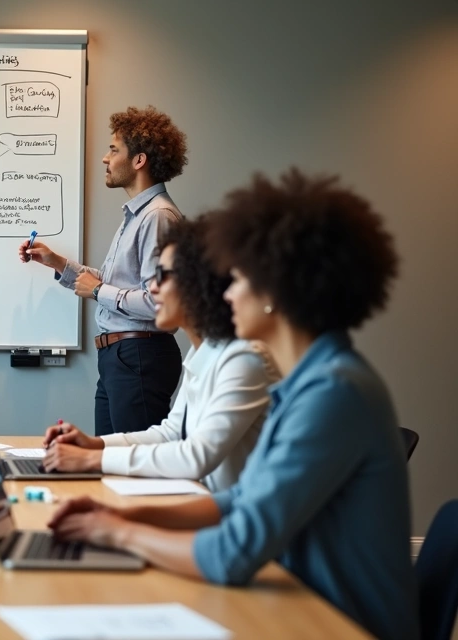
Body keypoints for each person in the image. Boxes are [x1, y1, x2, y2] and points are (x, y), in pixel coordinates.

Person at [46, 170, 416, 640]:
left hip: (332, 621)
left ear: (275, 291)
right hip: (300, 602)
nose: (227, 292)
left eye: (238, 279)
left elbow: (232, 554)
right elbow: (241, 500)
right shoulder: (316, 381)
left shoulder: (334, 393)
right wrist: (121, 517)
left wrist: (115, 534)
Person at [41, 217, 278, 492]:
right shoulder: (204, 352)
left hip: (228, 523)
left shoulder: (244, 359)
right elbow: (169, 434)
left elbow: (195, 457)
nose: (152, 288)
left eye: (162, 276)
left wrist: (92, 458)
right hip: (205, 508)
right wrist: (94, 444)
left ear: (199, 283)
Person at [22, 106, 188, 435]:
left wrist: (98, 291)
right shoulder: (137, 215)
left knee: (135, 469)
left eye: (113, 149)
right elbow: (116, 282)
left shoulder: (157, 216)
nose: (104, 158)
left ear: (139, 160)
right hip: (121, 356)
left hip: (138, 354)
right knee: (109, 463)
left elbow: (160, 302)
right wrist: (57, 263)